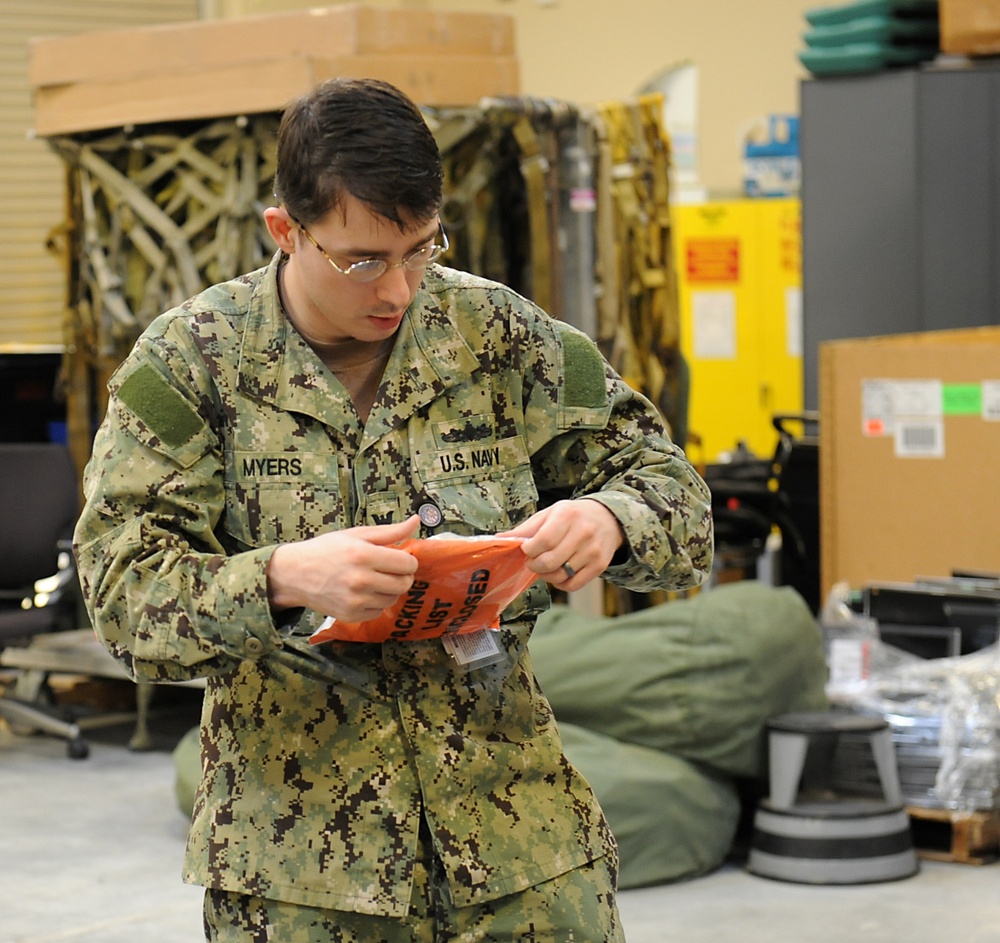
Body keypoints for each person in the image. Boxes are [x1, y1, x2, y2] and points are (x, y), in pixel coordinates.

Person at [73, 77, 713, 943]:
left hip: (518, 846)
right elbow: (121, 595)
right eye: (363, 260)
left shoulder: (499, 337)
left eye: (420, 248)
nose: (399, 290)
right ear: (286, 231)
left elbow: (674, 496)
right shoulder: (195, 366)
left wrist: (610, 519)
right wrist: (283, 578)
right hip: (302, 872)